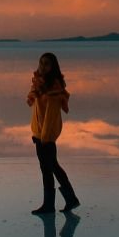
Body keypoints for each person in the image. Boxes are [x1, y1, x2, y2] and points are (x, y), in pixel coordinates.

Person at [26, 52, 81, 215]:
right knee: (50, 167)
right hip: (39, 133)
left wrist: (45, 137)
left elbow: (51, 115)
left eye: (47, 64)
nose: (43, 66)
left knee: (50, 168)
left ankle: (56, 203)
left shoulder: (54, 88)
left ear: (53, 67)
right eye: (41, 63)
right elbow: (35, 108)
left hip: (46, 136)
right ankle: (65, 200)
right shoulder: (38, 85)